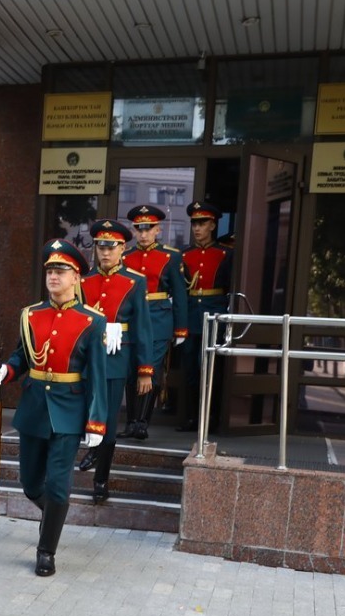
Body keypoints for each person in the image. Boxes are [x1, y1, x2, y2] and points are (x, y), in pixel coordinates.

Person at [0, 240, 107, 575]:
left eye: (61, 271)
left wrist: (96, 423)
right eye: (50, 271)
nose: (54, 276)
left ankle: (46, 550)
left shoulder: (92, 321)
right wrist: (7, 371)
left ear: (76, 278)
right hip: (35, 407)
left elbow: (97, 376)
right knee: (30, 483)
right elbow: (21, 356)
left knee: (58, 484)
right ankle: (54, 513)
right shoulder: (30, 315)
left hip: (69, 411)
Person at [74, 218, 152, 503]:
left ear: (123, 248)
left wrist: (145, 371)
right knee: (82, 412)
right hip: (84, 360)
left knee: (107, 422)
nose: (105, 253)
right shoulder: (84, 281)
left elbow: (144, 327)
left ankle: (101, 480)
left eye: (112, 247)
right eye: (100, 247)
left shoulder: (135, 282)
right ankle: (90, 450)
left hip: (116, 359)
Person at [123, 204, 187, 439]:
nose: (143, 234)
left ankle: (142, 422)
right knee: (131, 370)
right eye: (139, 229)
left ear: (158, 230)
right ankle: (131, 421)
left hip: (159, 317)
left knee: (151, 368)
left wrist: (181, 328)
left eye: (148, 229)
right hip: (131, 318)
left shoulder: (171, 256)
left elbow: (180, 294)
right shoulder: (125, 256)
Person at [178, 201, 235, 432]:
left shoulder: (226, 254)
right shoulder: (184, 254)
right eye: (194, 223)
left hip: (215, 314)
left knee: (213, 370)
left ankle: (211, 418)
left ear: (213, 225)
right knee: (190, 370)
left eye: (202, 223)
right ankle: (192, 417)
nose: (197, 228)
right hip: (192, 315)